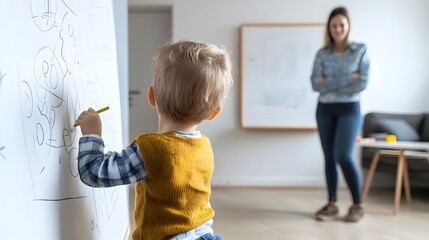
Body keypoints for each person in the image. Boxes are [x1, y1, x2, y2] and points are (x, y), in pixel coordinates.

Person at [76, 40, 233, 239]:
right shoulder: (204, 146)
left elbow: (94, 173)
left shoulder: (152, 150)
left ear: (151, 96)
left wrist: (92, 135)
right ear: (214, 113)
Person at [310, 6, 370, 223]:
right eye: (333, 25)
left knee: (343, 155)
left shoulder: (360, 50)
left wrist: (329, 82)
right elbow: (315, 84)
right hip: (325, 109)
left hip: (350, 109)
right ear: (329, 28)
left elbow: (361, 83)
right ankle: (332, 203)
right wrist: (348, 77)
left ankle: (358, 204)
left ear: (348, 26)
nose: (337, 29)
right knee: (329, 157)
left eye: (341, 24)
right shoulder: (322, 53)